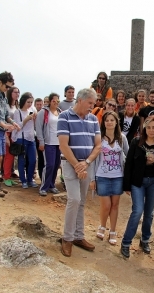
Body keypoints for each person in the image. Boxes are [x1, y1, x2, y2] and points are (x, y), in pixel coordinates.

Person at [58, 88, 101, 257]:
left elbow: (98, 145)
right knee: (74, 199)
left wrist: (87, 163)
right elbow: (63, 145)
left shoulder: (93, 119)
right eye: (90, 103)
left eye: (94, 103)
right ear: (80, 100)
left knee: (81, 201)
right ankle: (67, 238)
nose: (92, 106)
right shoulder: (64, 116)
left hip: (86, 164)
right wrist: (78, 165)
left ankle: (78, 236)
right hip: (71, 164)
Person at [121, 116, 154, 258]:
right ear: (144, 128)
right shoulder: (136, 142)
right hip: (137, 182)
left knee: (149, 213)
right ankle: (126, 242)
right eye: (149, 127)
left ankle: (145, 240)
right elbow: (128, 164)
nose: (151, 130)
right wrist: (126, 185)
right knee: (137, 211)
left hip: (153, 182)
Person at [90, 111, 129, 245]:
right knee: (106, 205)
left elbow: (127, 156)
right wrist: (92, 178)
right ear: (103, 122)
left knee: (115, 205)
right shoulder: (99, 138)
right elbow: (93, 158)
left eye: (112, 120)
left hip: (118, 176)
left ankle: (113, 230)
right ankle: (102, 226)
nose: (109, 122)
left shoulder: (122, 138)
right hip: (102, 175)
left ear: (116, 122)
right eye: (107, 120)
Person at [36, 93, 62, 196]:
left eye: (57, 101)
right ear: (50, 101)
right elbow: (38, 127)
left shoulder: (60, 112)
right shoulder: (43, 112)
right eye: (54, 101)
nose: (55, 103)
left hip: (58, 143)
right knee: (49, 165)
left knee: (56, 165)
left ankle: (52, 185)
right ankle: (44, 187)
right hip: (48, 142)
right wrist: (41, 141)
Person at [12, 92, 38, 189]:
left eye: (31, 102)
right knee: (21, 161)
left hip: (31, 138)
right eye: (28, 102)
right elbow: (18, 126)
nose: (30, 104)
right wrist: (26, 119)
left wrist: (35, 118)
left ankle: (30, 179)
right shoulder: (17, 112)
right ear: (23, 101)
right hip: (21, 139)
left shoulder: (32, 109)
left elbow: (35, 124)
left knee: (32, 160)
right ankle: (23, 180)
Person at [3, 86, 20, 187]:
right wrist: (5, 135)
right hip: (7, 132)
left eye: (18, 92)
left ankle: (8, 175)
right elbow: (4, 119)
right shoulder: (6, 105)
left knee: (12, 156)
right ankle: (6, 177)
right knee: (8, 156)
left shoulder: (17, 106)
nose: (17, 94)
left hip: (15, 134)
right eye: (15, 92)